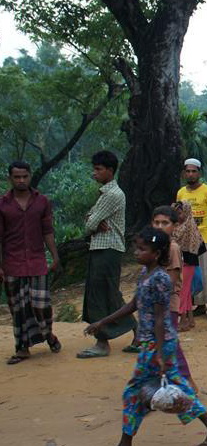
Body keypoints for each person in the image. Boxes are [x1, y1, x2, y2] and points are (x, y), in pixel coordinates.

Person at [85, 227, 207, 446]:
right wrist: (103, 321)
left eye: (142, 249)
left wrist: (160, 353)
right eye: (136, 247)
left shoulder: (161, 278)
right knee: (178, 390)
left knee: (133, 393)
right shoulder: (146, 273)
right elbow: (134, 304)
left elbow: (162, 317)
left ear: (157, 253)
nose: (136, 252)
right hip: (157, 345)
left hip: (157, 345)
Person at [1, 161, 62, 364]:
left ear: (29, 176)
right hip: (12, 263)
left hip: (37, 261)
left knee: (41, 304)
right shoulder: (3, 204)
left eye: (24, 176)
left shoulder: (42, 201)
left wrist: (55, 256)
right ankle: (22, 348)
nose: (21, 180)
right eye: (17, 177)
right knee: (18, 308)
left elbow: (48, 231)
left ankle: (49, 335)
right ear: (10, 178)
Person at [78, 151, 136, 358]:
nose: (95, 173)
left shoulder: (111, 194)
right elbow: (90, 220)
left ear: (110, 171)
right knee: (109, 292)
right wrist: (92, 221)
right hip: (104, 248)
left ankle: (102, 342)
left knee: (100, 294)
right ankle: (138, 332)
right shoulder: (107, 193)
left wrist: (92, 222)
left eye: (98, 169)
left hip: (107, 249)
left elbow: (88, 224)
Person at [151, 206, 200, 392]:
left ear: (174, 226)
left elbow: (170, 283)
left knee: (170, 343)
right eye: (156, 222)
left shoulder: (172, 248)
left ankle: (187, 380)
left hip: (167, 304)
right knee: (157, 344)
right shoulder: (152, 246)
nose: (160, 226)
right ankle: (160, 381)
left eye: (165, 223)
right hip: (153, 306)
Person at [176, 158, 207, 321]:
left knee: (206, 271)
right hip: (185, 241)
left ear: (199, 173)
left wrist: (205, 228)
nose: (190, 174)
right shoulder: (181, 193)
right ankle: (198, 305)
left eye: (194, 171)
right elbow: (178, 215)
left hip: (203, 238)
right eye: (188, 171)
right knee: (191, 273)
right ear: (184, 173)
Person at [171, 200, 205, 331]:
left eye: (179, 213)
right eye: (175, 213)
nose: (177, 216)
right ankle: (190, 320)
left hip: (188, 261)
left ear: (185, 212)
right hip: (184, 261)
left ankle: (182, 321)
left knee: (183, 292)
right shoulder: (180, 225)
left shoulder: (187, 226)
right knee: (186, 291)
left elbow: (187, 244)